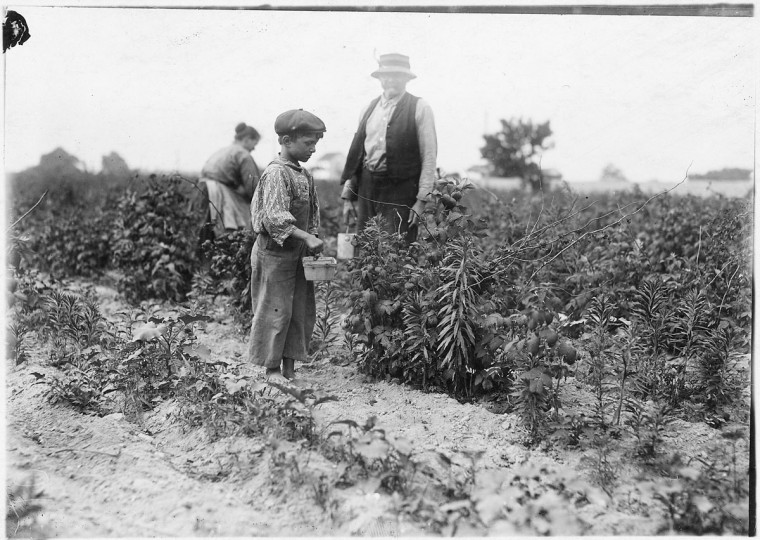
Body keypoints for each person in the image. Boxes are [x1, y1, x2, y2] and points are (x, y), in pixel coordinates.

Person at [248, 109, 326, 382]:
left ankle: (290, 368)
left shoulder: (304, 175)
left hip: (296, 255)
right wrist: (305, 237)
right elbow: (274, 217)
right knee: (274, 310)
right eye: (308, 143)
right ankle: (271, 369)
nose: (313, 148)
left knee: (297, 311)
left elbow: (312, 212)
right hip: (274, 254)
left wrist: (313, 238)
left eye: (316, 142)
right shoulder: (276, 174)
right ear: (286, 140)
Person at [340, 53, 438, 243]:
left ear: (407, 78)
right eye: (387, 75)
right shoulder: (369, 108)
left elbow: (429, 156)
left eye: (398, 75)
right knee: (366, 246)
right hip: (367, 187)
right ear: (380, 78)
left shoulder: (420, 107)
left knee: (397, 248)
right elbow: (357, 154)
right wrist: (348, 196)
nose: (392, 80)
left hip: (400, 189)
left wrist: (421, 201)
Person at [197, 122, 261, 242]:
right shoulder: (243, 155)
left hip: (203, 191)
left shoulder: (222, 151)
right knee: (234, 230)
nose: (254, 148)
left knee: (204, 234)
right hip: (219, 194)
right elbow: (253, 187)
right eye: (254, 143)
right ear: (247, 140)